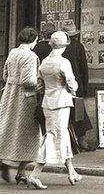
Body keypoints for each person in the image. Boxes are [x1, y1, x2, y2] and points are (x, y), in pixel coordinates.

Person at [0, 26, 43, 187]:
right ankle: (21, 171)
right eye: (36, 40)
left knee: (7, 129)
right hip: (25, 99)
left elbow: (4, 74)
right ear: (33, 40)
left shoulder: (13, 52)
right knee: (29, 134)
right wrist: (40, 84)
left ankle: (4, 161)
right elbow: (27, 81)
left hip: (9, 95)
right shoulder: (30, 56)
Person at [29, 31, 82, 189]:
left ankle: (72, 172)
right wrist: (73, 89)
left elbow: (39, 86)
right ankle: (34, 174)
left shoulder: (45, 62)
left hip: (48, 103)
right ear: (64, 46)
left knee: (61, 135)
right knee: (53, 137)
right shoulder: (63, 62)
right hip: (61, 102)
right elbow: (72, 84)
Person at [63, 27, 92, 152]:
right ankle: (81, 141)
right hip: (76, 85)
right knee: (79, 114)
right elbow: (84, 69)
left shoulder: (60, 47)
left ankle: (70, 142)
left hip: (62, 85)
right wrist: (85, 87)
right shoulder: (78, 46)